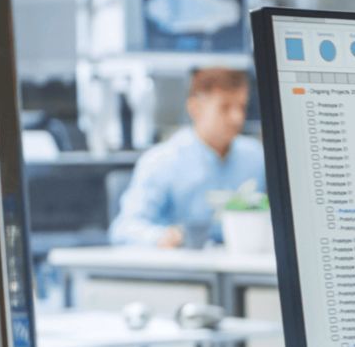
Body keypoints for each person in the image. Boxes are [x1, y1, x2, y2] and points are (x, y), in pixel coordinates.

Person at [109, 66, 262, 248]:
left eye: (242, 107)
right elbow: (124, 230)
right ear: (195, 107)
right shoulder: (162, 161)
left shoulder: (256, 157)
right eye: (225, 107)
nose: (237, 118)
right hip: (184, 272)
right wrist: (162, 237)